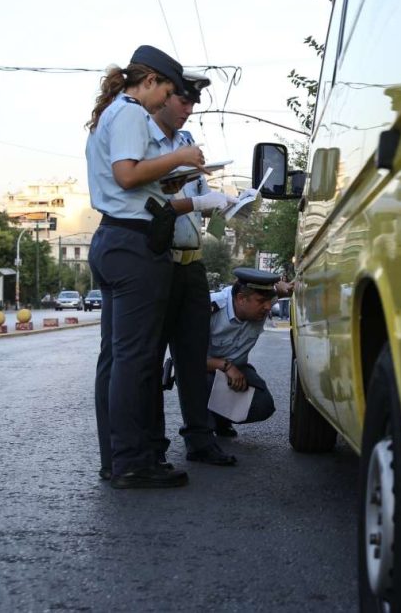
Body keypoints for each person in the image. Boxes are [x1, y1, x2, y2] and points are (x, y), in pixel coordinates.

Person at [86, 45, 215, 490]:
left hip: (116, 238)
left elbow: (135, 178)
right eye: (167, 92)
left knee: (119, 357)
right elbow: (126, 175)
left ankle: (117, 458)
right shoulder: (129, 113)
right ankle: (132, 462)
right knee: (135, 360)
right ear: (151, 82)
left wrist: (168, 179)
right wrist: (180, 158)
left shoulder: (116, 112)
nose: (166, 102)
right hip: (133, 244)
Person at [148, 70, 238, 467]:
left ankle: (200, 440)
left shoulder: (187, 143)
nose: (187, 110)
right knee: (149, 358)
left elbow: (199, 202)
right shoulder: (144, 139)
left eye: (192, 104)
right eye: (182, 101)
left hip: (192, 262)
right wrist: (199, 203)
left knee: (192, 355)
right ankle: (152, 445)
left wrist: (226, 203)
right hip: (157, 261)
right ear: (163, 95)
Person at [205, 268, 292, 436]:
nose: (268, 307)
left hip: (238, 369)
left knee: (263, 404)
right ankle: (201, 431)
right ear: (241, 299)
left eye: (269, 301)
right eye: (261, 301)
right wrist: (226, 367)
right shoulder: (210, 308)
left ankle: (221, 419)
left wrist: (287, 286)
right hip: (202, 370)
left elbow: (280, 290)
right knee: (203, 384)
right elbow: (187, 357)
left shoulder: (260, 301)